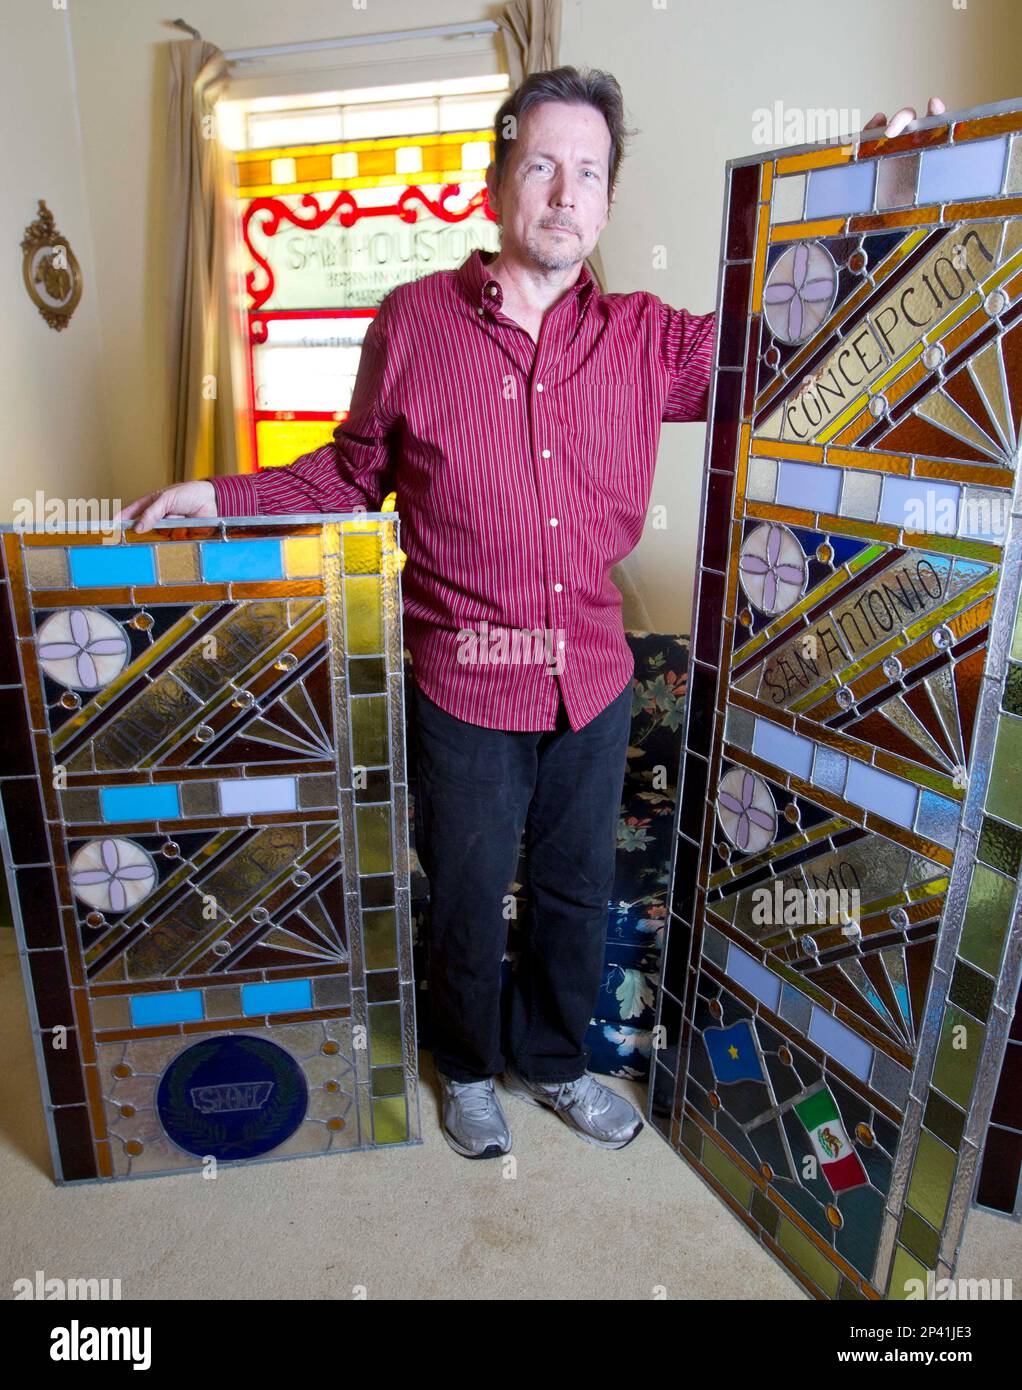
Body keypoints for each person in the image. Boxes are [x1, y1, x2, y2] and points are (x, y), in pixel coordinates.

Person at [119, 69, 945, 1160]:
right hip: (459, 681)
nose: (563, 191)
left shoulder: (650, 340)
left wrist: (881, 189)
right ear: (498, 179)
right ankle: (465, 1066)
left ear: (607, 201)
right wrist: (216, 497)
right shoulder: (412, 320)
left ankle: (555, 1064)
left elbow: (798, 330)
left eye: (587, 171)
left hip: (592, 679)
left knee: (571, 890)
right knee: (462, 894)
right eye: (541, 164)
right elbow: (347, 473)